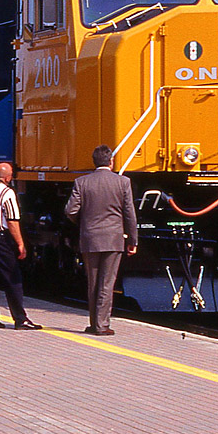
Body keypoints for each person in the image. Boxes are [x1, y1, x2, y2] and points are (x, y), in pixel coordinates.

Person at [64, 144, 138, 336]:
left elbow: (70, 210)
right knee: (107, 283)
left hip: (90, 238)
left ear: (94, 161)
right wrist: (133, 240)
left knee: (93, 282)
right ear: (111, 162)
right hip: (113, 239)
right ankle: (101, 325)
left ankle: (93, 323)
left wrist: (84, 222)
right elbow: (130, 214)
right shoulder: (123, 182)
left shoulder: (82, 182)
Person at [0, 162, 39, 330]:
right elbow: (12, 221)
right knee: (12, 277)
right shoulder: (7, 192)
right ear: (8, 177)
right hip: (0, 237)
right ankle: (20, 319)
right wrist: (20, 244)